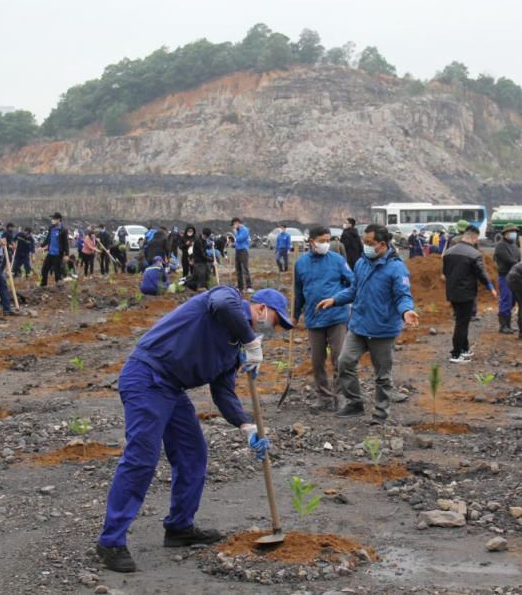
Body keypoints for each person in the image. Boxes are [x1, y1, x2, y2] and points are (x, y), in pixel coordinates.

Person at [94, 287, 291, 573]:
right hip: (147, 376)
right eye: (275, 321)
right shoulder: (229, 298)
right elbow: (222, 304)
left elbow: (223, 393)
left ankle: (179, 528)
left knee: (193, 454)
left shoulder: (233, 349)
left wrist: (247, 427)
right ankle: (110, 542)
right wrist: (251, 342)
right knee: (142, 458)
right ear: (261, 309)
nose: (274, 330)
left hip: (172, 388)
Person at [316, 224, 420, 425]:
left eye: (370, 243)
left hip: (382, 330)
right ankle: (355, 404)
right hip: (359, 326)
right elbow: (354, 290)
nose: (366, 246)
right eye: (365, 242)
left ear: (382, 244)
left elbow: (403, 296)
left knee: (382, 376)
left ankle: (381, 412)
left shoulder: (397, 268)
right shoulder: (362, 263)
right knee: (345, 362)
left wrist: (407, 311)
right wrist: (335, 299)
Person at [294, 226, 354, 410]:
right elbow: (298, 291)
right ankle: (324, 396)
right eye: (322, 240)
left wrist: (346, 301)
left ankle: (340, 396)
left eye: (328, 240)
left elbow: (352, 283)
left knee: (339, 358)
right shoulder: (301, 263)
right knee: (317, 360)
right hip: (314, 317)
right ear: (311, 242)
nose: (326, 244)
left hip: (336, 316)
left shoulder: (337, 260)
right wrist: (296, 316)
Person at [443, 225, 498, 363]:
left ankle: (464, 348)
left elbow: (445, 272)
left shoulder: (449, 252)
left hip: (452, 292)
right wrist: (490, 287)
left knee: (463, 320)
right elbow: (482, 273)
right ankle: (456, 354)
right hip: (465, 293)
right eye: (476, 239)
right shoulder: (474, 254)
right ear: (473, 238)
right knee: (461, 323)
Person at [493, 223, 522, 335]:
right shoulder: (501, 245)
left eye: (515, 231)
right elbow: (509, 260)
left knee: (512, 300)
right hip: (505, 275)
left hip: (514, 275)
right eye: (512, 231)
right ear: (505, 233)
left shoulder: (514, 245)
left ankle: (508, 324)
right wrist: (520, 264)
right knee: (506, 299)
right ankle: (503, 326)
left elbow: (517, 258)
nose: (514, 233)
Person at [40, 212, 71, 287]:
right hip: (50, 253)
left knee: (57, 271)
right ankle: (43, 284)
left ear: (58, 219)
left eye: (54, 218)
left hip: (58, 254)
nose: (52, 220)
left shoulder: (63, 230)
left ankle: (58, 284)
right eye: (52, 218)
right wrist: (42, 246)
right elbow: (48, 238)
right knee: (44, 269)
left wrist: (66, 254)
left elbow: (66, 243)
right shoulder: (51, 228)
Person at [185, 227, 215, 292]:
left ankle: (206, 289)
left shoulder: (203, 240)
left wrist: (210, 245)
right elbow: (201, 254)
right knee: (201, 275)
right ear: (203, 234)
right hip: (199, 262)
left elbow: (204, 247)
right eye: (206, 236)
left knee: (207, 274)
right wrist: (211, 260)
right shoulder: (198, 241)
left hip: (203, 261)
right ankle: (200, 290)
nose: (206, 237)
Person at [231, 217, 253, 293]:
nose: (233, 227)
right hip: (237, 251)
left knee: (245, 270)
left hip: (243, 251)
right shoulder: (238, 230)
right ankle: (240, 288)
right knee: (238, 270)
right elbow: (237, 242)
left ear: (237, 223)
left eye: (233, 225)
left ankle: (249, 286)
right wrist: (233, 245)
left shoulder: (244, 230)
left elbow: (240, 239)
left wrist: (235, 232)